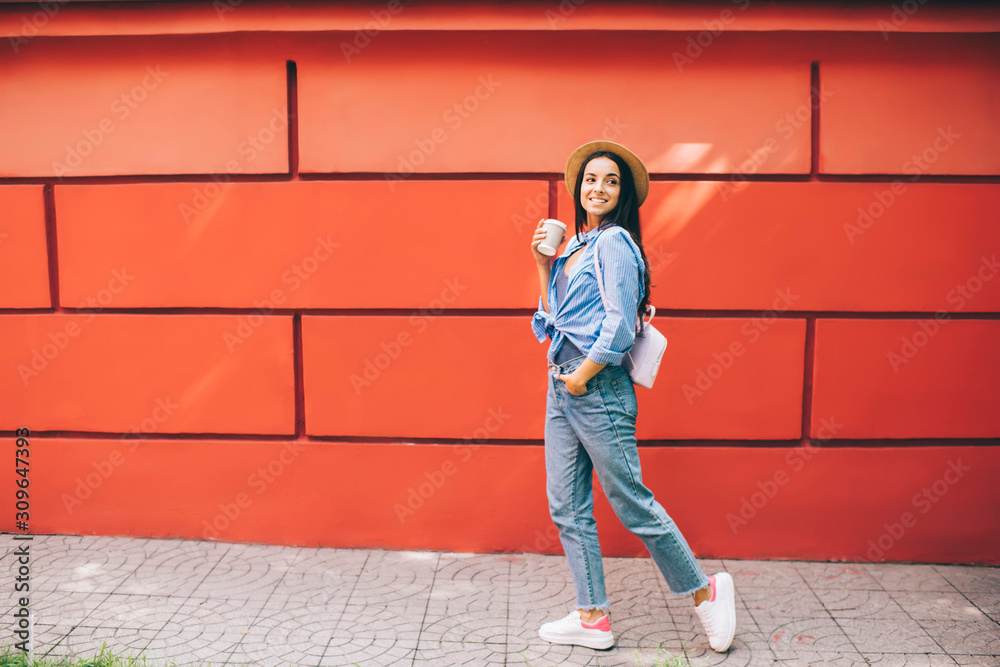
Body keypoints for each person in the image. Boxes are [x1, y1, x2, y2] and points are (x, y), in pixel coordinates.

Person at [528, 140, 736, 652]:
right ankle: (593, 616)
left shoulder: (616, 243)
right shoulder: (578, 245)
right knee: (567, 507)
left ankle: (705, 593)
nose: (597, 188)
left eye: (610, 181)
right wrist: (541, 261)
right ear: (579, 187)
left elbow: (620, 326)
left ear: (622, 195)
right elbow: (553, 314)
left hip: (595, 388)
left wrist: (582, 378)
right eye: (591, 179)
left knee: (631, 503)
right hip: (563, 387)